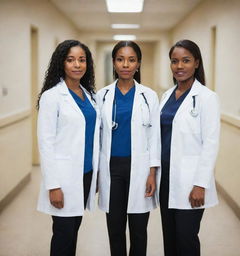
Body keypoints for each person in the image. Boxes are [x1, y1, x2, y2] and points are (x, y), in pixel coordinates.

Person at [97, 41, 161, 256]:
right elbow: (97, 137)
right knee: (114, 228)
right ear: (114, 63)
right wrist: (97, 173)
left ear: (138, 64)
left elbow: (155, 137)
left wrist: (152, 172)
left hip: (140, 169)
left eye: (131, 59)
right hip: (111, 169)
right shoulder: (102, 95)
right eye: (120, 59)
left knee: (139, 229)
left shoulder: (149, 96)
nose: (126, 64)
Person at [37, 40, 100, 256]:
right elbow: (46, 144)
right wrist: (53, 186)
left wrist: (96, 176)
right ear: (61, 63)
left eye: (82, 60)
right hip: (63, 179)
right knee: (63, 235)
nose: (77, 65)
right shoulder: (52, 97)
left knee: (73, 230)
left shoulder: (89, 95)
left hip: (85, 175)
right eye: (70, 60)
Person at [159, 39, 220, 256]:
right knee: (170, 238)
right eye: (174, 61)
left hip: (190, 181)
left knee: (186, 240)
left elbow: (210, 144)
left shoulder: (207, 98)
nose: (179, 66)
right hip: (165, 180)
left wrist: (200, 184)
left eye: (186, 60)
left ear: (196, 63)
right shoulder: (166, 96)